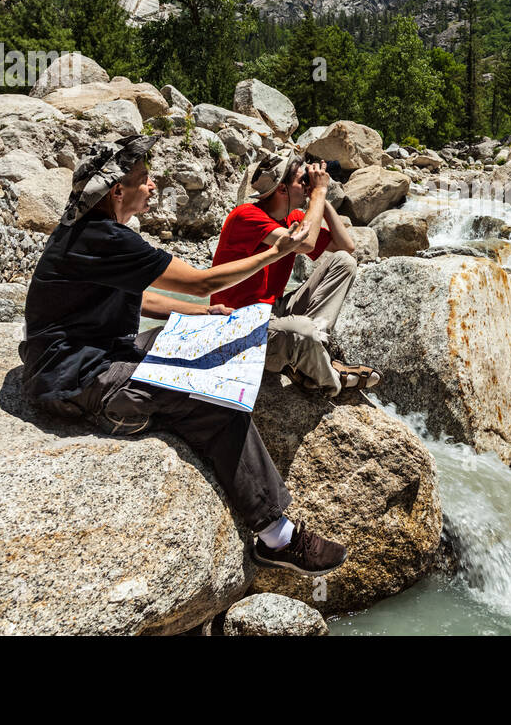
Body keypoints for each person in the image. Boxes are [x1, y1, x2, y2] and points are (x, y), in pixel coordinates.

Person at [19, 134, 347, 576]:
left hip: (96, 354)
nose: (152, 186)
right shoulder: (102, 237)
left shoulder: (91, 232)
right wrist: (274, 253)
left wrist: (203, 314)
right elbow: (199, 281)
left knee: (211, 339)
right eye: (144, 179)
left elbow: (147, 300)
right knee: (217, 401)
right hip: (81, 377)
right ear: (118, 191)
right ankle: (276, 536)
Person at [210, 150, 381, 397]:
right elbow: (305, 244)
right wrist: (319, 194)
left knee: (343, 262)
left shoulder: (292, 217)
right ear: (282, 189)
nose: (307, 185)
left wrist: (322, 199)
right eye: (302, 181)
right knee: (302, 330)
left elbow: (347, 247)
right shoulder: (246, 216)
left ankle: (313, 349)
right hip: (240, 325)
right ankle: (332, 379)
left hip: (274, 310)